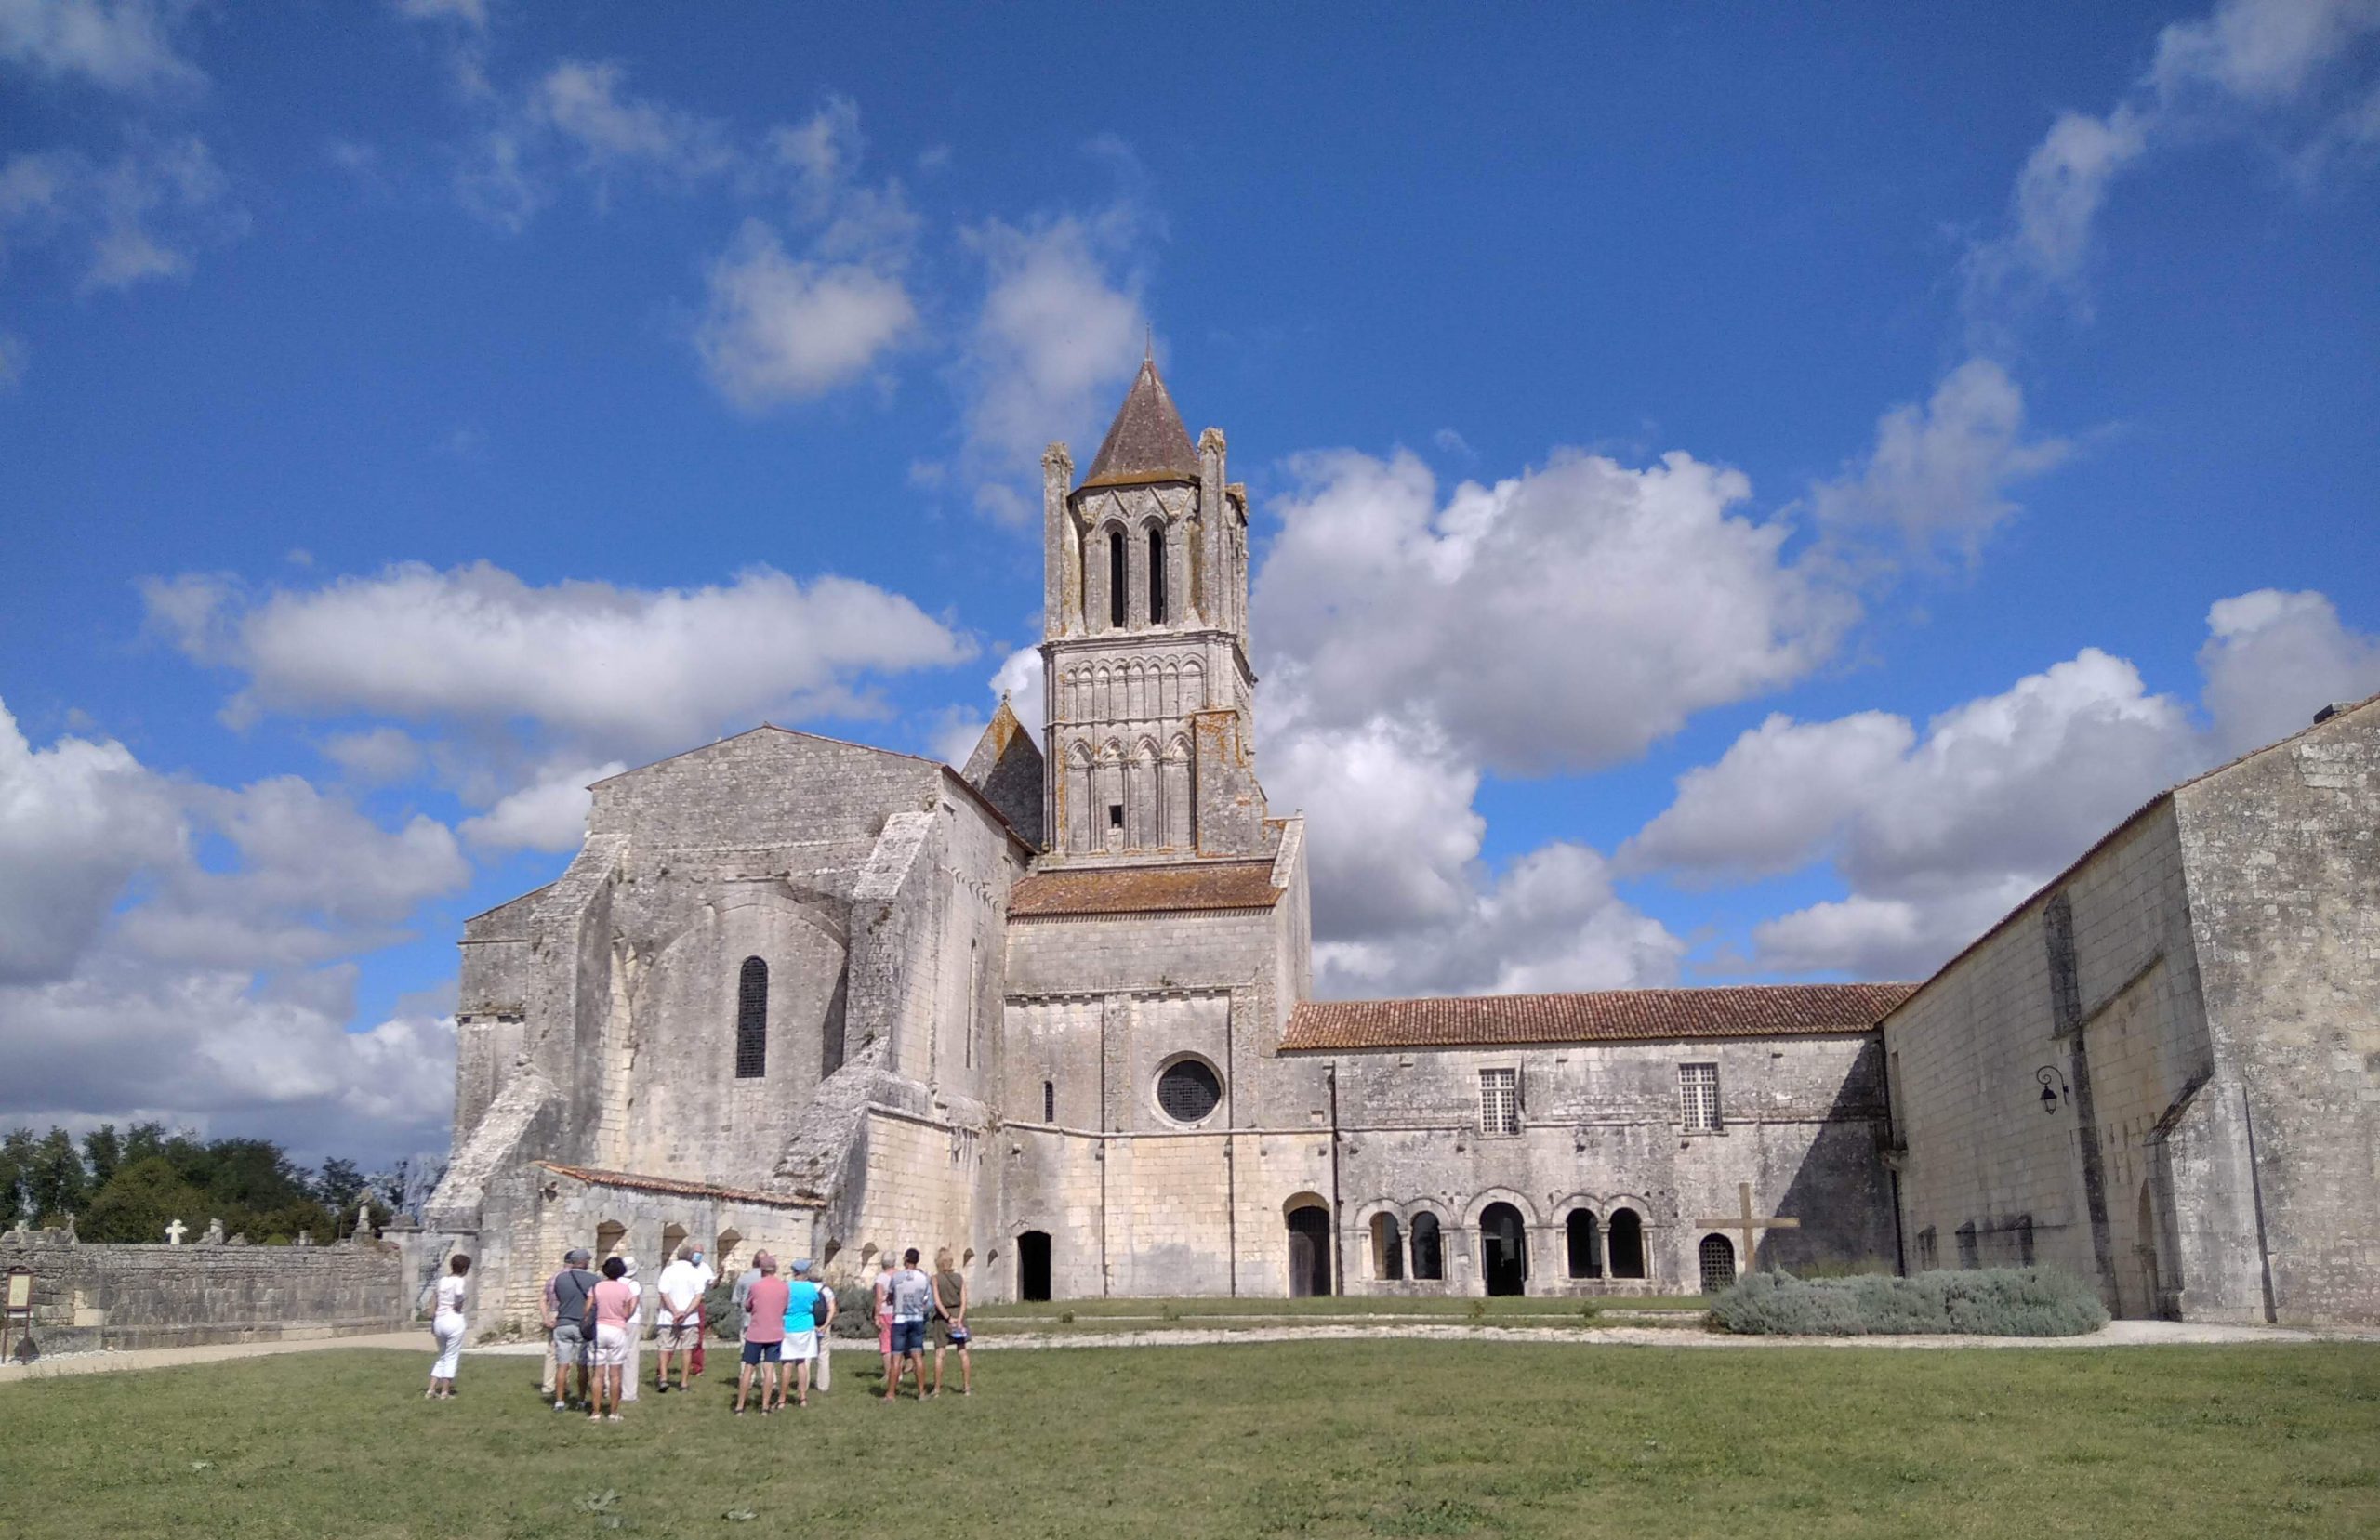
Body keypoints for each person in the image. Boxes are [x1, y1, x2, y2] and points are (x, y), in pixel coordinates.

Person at [543, 1247, 599, 1413]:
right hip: (582, 1325)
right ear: (584, 1262)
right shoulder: (594, 1280)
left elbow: (559, 1298)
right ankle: (581, 1399)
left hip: (563, 1323)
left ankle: (559, 1401)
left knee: (562, 1364)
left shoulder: (560, 1279)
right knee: (582, 1365)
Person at [735, 1253, 789, 1415]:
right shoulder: (784, 1287)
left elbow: (748, 1306)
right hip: (775, 1331)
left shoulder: (756, 1287)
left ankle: (740, 1406)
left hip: (756, 1332)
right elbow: (785, 1308)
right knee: (769, 1368)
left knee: (748, 1368)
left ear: (761, 1270)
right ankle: (765, 1407)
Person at [586, 1256, 636, 1422]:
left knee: (598, 1374)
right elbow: (628, 1312)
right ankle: (614, 1412)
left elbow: (588, 1308)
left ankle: (595, 1412)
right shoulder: (625, 1289)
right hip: (617, 1329)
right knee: (615, 1374)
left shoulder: (596, 1287)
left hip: (599, 1328)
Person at [780, 1258, 832, 1409]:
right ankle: (803, 1397)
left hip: (789, 1325)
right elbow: (815, 1301)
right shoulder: (810, 1288)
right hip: (806, 1325)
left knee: (787, 1364)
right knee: (802, 1363)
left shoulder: (787, 1287)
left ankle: (782, 1399)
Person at [884, 1247, 932, 1402]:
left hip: (900, 1318)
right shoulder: (924, 1278)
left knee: (896, 1357)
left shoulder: (897, 1277)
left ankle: (891, 1394)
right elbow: (927, 1301)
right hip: (917, 1318)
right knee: (917, 1355)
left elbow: (890, 1296)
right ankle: (921, 1393)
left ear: (905, 1259)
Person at [654, 1244, 703, 1394]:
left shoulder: (668, 1271)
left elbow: (664, 1292)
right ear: (690, 1257)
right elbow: (698, 1296)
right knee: (687, 1350)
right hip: (689, 1318)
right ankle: (684, 1383)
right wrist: (685, 1313)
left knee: (664, 1348)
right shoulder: (695, 1273)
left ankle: (663, 1379)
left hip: (669, 1316)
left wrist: (675, 1311)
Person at [426, 1253, 470, 1401]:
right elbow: (458, 1294)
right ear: (464, 1269)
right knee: (451, 1356)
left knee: (442, 1356)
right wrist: (458, 1304)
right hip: (453, 1320)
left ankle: (431, 1389)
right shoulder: (460, 1281)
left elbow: (436, 1299)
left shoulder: (442, 1281)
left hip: (440, 1320)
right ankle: (445, 1392)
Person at [930, 1248, 972, 1398]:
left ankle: (937, 1389)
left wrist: (948, 1318)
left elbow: (937, 1301)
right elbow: (964, 1301)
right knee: (962, 1352)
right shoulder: (959, 1278)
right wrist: (959, 1319)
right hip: (958, 1315)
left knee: (940, 1353)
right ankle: (966, 1387)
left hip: (943, 1318)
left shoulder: (935, 1279)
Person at [617, 1257, 645, 1404]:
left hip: (615, 1321)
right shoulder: (633, 1285)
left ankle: (610, 1388)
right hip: (631, 1321)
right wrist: (626, 1316)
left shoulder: (614, 1282)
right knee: (630, 1356)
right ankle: (629, 1393)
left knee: (613, 1355)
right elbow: (633, 1303)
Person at [687, 1244, 716, 1379]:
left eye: (700, 1253)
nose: (698, 1255)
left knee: (698, 1336)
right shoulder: (684, 1267)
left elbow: (711, 1285)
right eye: (696, 1252)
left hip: (699, 1303)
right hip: (684, 1301)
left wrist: (718, 1279)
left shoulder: (705, 1268)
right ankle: (662, 1369)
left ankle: (696, 1367)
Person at [870, 1254, 896, 1390]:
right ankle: (898, 1371)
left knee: (886, 1343)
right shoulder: (900, 1275)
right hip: (898, 1311)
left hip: (886, 1311)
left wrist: (876, 1315)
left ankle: (888, 1373)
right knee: (897, 1342)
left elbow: (879, 1298)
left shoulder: (881, 1278)